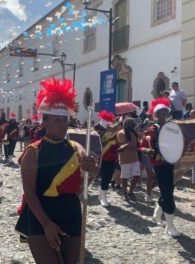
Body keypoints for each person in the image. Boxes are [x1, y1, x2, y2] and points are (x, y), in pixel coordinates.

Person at [15, 77, 99, 263]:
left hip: (70, 212)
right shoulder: (33, 152)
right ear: (44, 121)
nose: (62, 124)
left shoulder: (77, 148)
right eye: (56, 120)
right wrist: (46, 224)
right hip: (39, 214)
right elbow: (29, 192)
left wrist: (91, 170)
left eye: (65, 120)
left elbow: (86, 183)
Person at [140, 98, 182, 237]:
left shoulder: (172, 127)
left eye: (166, 112)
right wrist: (148, 151)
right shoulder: (152, 129)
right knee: (168, 194)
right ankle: (169, 226)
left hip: (171, 163)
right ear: (156, 115)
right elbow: (142, 146)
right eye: (161, 112)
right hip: (160, 164)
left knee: (168, 191)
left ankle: (156, 214)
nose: (164, 114)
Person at [95, 110, 119, 206]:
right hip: (101, 158)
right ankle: (103, 197)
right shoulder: (97, 132)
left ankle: (101, 193)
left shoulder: (113, 134)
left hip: (111, 158)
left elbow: (115, 144)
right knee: (105, 177)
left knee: (108, 178)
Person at [117, 118, 141, 201]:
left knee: (137, 176)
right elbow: (122, 146)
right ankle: (125, 194)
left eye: (133, 124)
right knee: (125, 177)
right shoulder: (121, 133)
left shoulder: (133, 132)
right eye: (131, 124)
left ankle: (130, 191)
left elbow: (136, 143)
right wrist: (132, 145)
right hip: (125, 158)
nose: (133, 125)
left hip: (135, 157)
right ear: (126, 124)